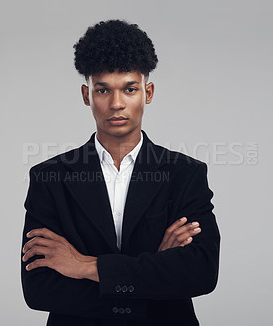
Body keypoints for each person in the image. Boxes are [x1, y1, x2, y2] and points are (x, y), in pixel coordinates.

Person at [21, 19, 220, 326]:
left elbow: (200, 273)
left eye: (129, 89)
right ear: (87, 95)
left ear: (147, 92)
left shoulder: (185, 174)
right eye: (103, 90)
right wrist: (155, 269)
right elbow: (40, 289)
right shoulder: (50, 177)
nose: (116, 104)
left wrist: (85, 265)